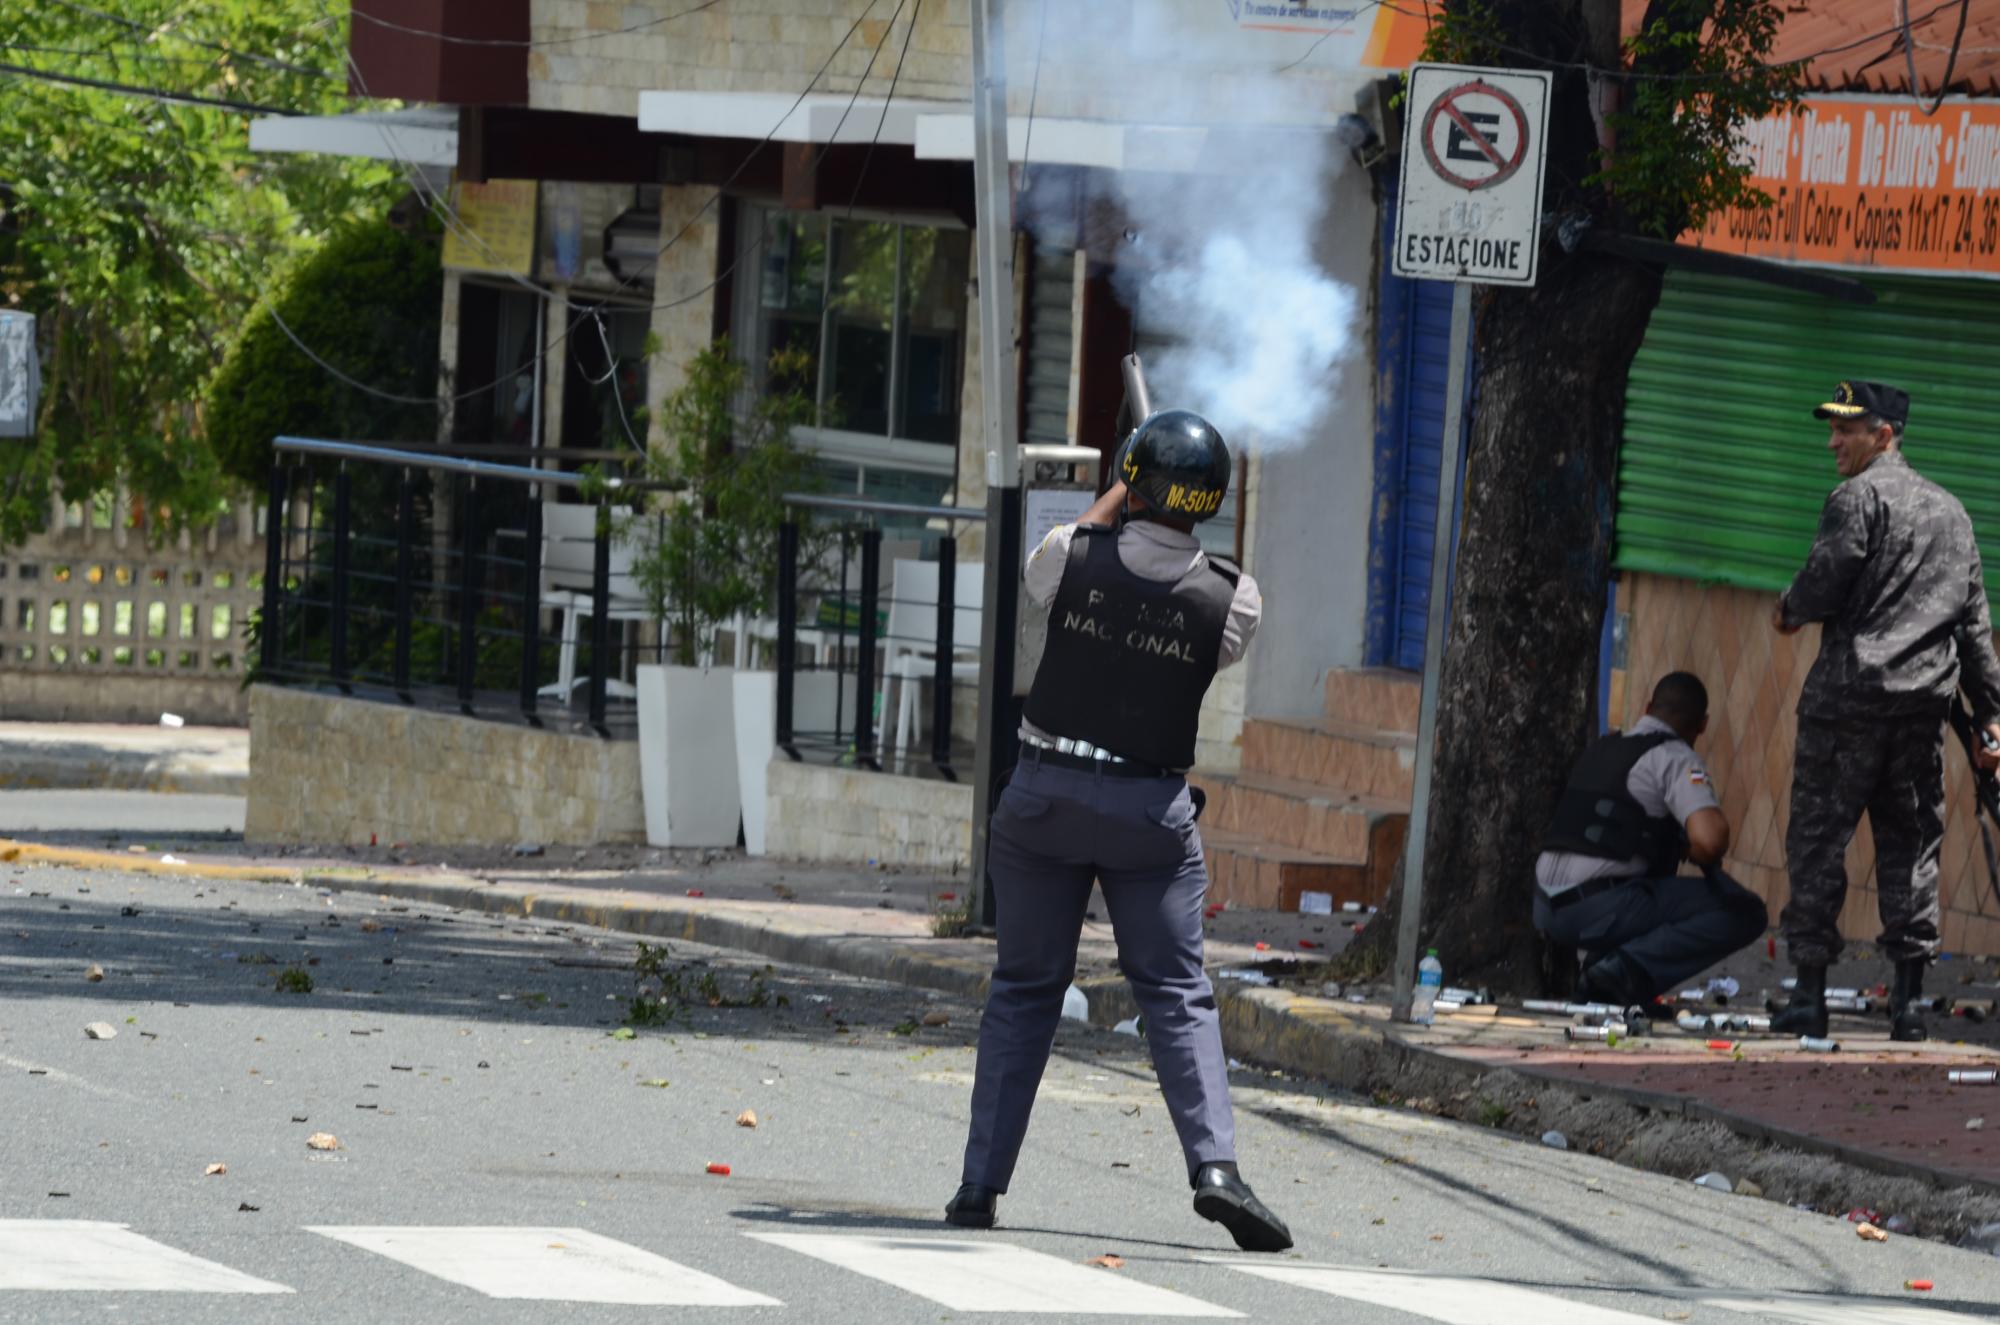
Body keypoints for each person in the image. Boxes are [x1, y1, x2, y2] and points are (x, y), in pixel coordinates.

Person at [945, 409, 1291, 1253]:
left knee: (1024, 988)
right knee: (1176, 991)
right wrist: (1148, 491)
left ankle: (979, 1185)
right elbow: (1202, 627)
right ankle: (1215, 1168)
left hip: (1046, 795)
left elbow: (1048, 565)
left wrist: (1118, 488)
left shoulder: (1071, 554)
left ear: (1135, 480)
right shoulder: (1234, 597)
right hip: (1147, 811)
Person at [1771, 379, 2000, 1042]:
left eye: (1846, 430)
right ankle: (1908, 1006)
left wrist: (1789, 608)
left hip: (1846, 707)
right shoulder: (1953, 513)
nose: (1833, 442)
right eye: (1833, 428)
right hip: (1921, 714)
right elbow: (1974, 627)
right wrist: (1991, 714)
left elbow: (1826, 579)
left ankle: (1809, 995)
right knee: (1912, 847)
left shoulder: (1857, 498)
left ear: (1884, 435)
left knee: (1818, 843)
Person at [1534, 672, 1767, 1014]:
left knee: (1644, 878)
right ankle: (1619, 977)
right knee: (1744, 911)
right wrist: (1688, 848)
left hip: (1544, 908)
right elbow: (1710, 841)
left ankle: (1604, 979)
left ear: (1647, 708)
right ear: (1702, 725)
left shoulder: (1601, 748)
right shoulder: (1674, 756)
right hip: (1597, 909)